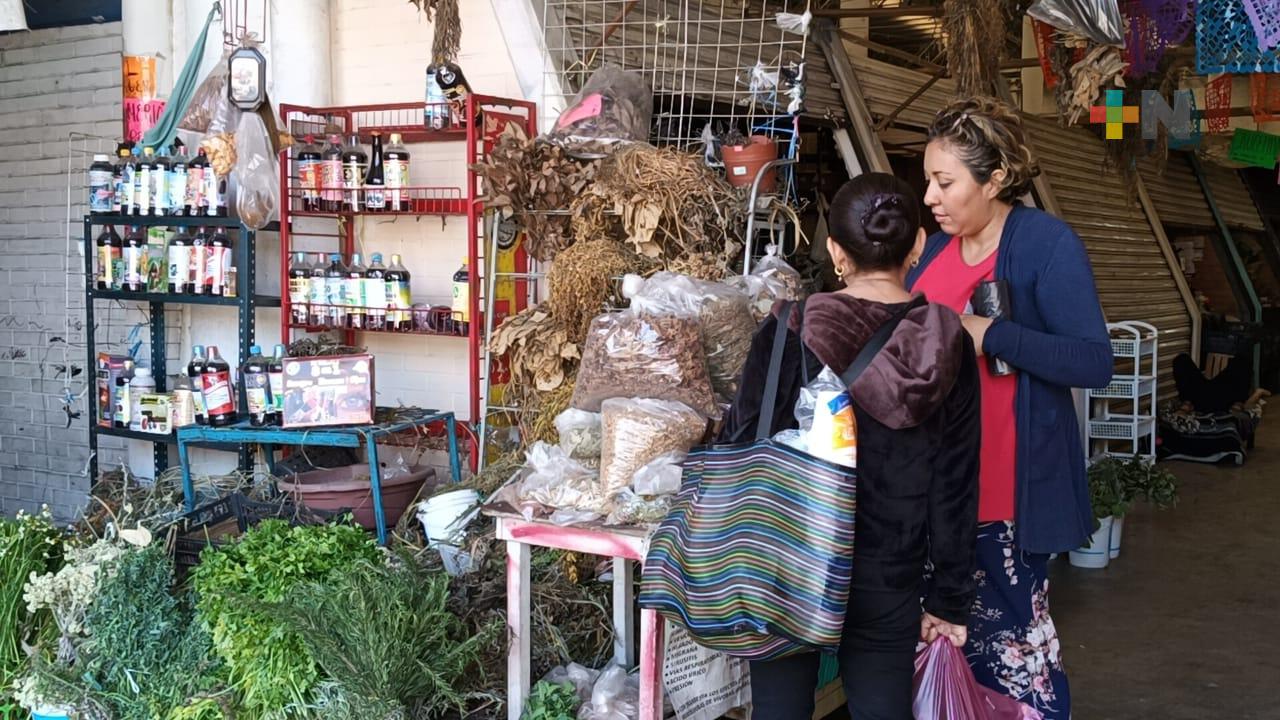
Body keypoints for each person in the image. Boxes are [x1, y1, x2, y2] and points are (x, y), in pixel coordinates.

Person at [719, 172, 981, 720]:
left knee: (779, 710)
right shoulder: (948, 341)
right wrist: (948, 598)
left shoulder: (788, 328)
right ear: (916, 246)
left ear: (835, 250)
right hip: (889, 571)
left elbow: (741, 443)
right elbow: (955, 482)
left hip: (789, 560)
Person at [907, 97, 1114, 719]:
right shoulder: (941, 250)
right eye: (928, 181)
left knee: (1015, 654)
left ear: (994, 179)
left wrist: (991, 334)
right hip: (938, 494)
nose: (931, 197)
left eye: (945, 182)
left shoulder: (1046, 244)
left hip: (1007, 494)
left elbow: (1092, 361)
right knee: (948, 649)